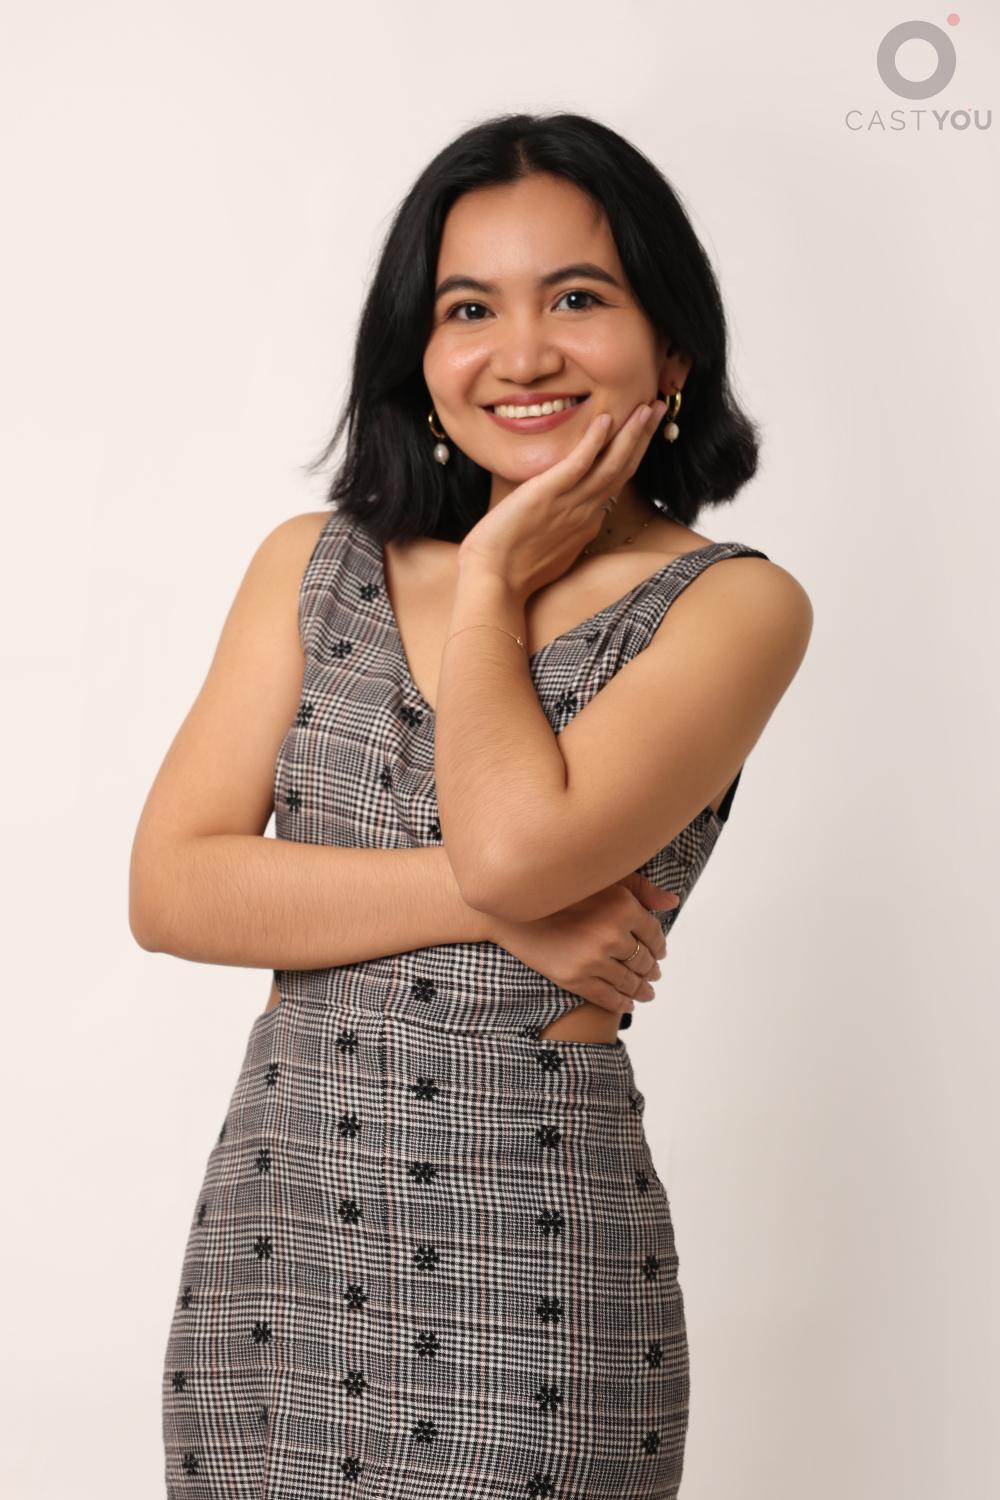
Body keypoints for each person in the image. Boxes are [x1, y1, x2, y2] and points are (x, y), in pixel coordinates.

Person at [133, 111, 812, 1499]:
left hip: (534, 1247)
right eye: (469, 308)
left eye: (578, 297)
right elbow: (174, 889)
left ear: (672, 349)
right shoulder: (312, 566)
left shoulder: (732, 606)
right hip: (277, 1231)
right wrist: (507, 912)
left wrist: (494, 576)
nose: (523, 353)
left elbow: (515, 848)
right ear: (419, 350)